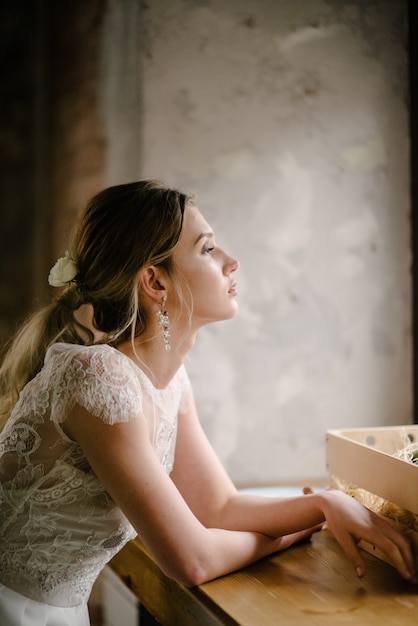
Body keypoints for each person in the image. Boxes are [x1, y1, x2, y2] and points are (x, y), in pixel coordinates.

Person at [0, 180, 415, 626]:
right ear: (155, 281)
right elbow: (191, 561)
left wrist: (328, 504)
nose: (231, 262)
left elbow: (219, 507)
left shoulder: (170, 380)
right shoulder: (98, 379)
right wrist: (289, 531)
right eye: (207, 249)